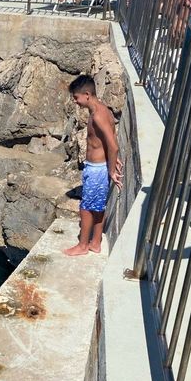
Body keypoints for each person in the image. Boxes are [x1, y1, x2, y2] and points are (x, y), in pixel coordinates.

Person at [64, 75, 122, 256]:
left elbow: (113, 145)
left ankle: (82, 246)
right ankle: (95, 242)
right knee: (97, 206)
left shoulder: (97, 115)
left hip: (97, 169)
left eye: (76, 97)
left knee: (86, 207)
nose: (75, 102)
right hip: (99, 166)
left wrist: (111, 169)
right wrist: (113, 159)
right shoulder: (103, 110)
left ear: (87, 94)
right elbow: (109, 138)